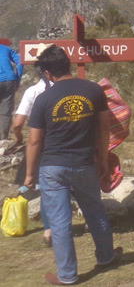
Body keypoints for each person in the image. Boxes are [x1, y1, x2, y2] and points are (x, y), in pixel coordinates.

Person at [24, 45, 122, 285]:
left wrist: (29, 175)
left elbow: (34, 141)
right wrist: (101, 160)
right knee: (94, 210)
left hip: (52, 167)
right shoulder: (93, 90)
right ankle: (106, 256)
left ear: (47, 74)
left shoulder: (43, 99)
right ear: (67, 65)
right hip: (84, 163)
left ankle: (67, 276)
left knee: (59, 222)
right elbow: (103, 128)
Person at [12, 63, 54, 246]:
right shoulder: (63, 89)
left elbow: (18, 123)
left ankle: (49, 230)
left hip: (40, 144)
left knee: (47, 188)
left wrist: (18, 138)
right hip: (65, 142)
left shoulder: (32, 92)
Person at [0, 38, 23, 139]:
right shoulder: (6, 49)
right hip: (9, 80)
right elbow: (21, 62)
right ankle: (2, 138)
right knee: (6, 110)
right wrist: (17, 78)